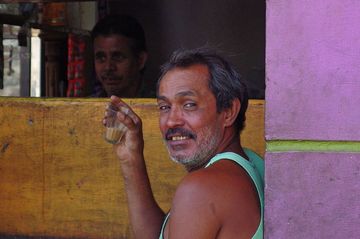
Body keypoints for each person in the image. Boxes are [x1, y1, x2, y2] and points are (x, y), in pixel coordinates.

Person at [104, 47, 264, 239]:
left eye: (189, 105)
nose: (172, 121)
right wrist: (131, 159)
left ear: (229, 111)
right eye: (164, 107)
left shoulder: (202, 188)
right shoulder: (251, 163)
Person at [91, 14, 148, 97]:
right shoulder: (85, 107)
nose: (108, 67)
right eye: (101, 58)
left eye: (117, 57)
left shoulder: (160, 107)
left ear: (140, 60)